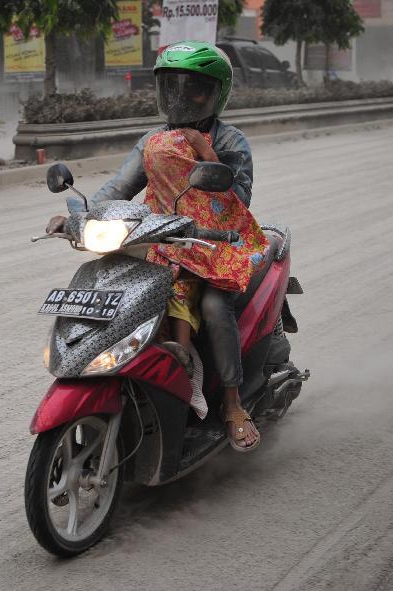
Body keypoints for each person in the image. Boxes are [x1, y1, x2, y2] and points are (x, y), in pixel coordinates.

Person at [46, 41, 265, 451]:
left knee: (215, 307)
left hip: (215, 244)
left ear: (215, 92)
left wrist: (207, 154)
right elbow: (119, 189)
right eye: (173, 87)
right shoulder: (153, 141)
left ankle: (233, 403)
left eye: (194, 88)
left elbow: (238, 204)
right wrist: (79, 215)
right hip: (163, 241)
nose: (181, 97)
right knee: (123, 293)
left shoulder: (231, 141)